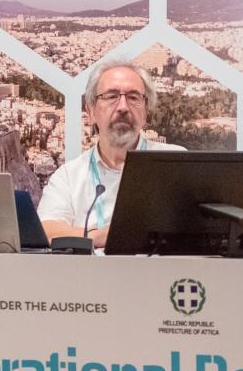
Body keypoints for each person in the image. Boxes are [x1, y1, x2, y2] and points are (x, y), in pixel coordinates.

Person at [37, 59, 184, 247]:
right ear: (91, 111)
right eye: (111, 96)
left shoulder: (175, 163)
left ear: (146, 112)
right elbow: (46, 231)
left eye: (133, 97)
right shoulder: (69, 176)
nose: (123, 107)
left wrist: (82, 236)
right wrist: (102, 237)